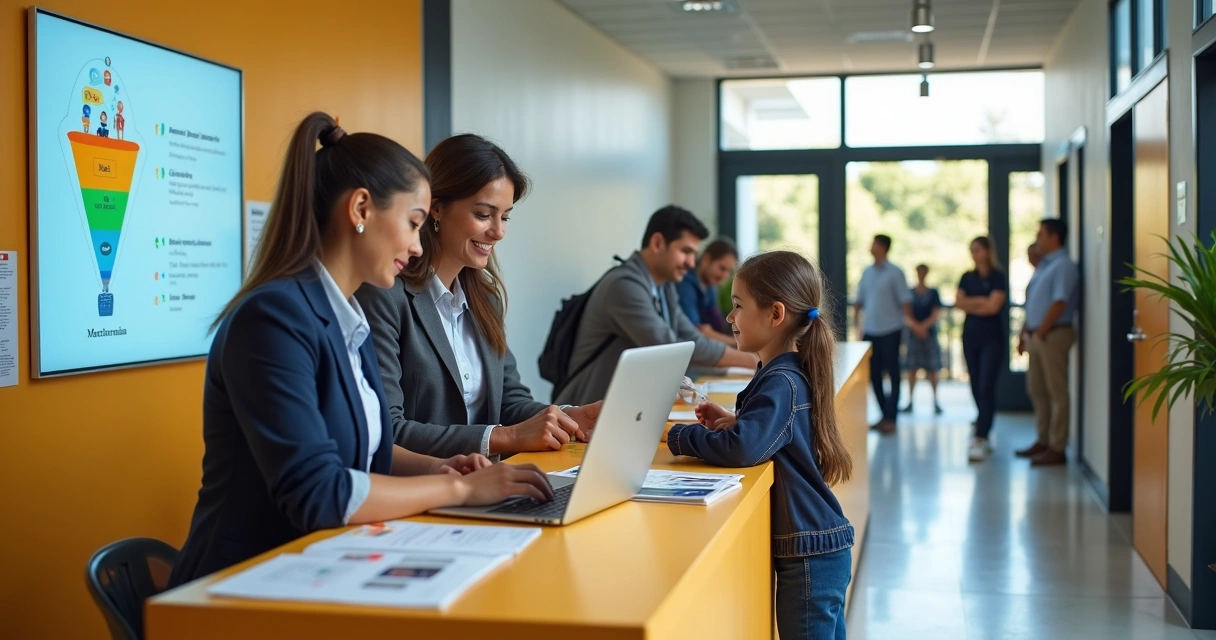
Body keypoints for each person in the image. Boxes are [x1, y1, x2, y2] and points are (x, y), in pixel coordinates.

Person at [169, 113, 553, 587]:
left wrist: (440, 465)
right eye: (413, 224)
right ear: (361, 209)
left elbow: (368, 453)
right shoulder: (272, 319)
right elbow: (320, 492)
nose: (417, 248)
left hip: (328, 562)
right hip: (247, 580)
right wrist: (457, 487)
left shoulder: (344, 318)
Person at [356, 134, 601, 459]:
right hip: (427, 488)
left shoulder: (486, 299)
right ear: (436, 208)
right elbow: (389, 429)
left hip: (487, 484)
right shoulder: (386, 295)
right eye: (484, 215)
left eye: (505, 216)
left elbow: (509, 400)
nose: (499, 231)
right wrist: (503, 437)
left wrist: (569, 418)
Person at [669, 251, 853, 640]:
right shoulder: (786, 374)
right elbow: (774, 433)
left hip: (809, 557)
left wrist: (679, 436)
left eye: (737, 307)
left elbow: (743, 449)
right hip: (820, 549)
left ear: (775, 314)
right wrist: (740, 422)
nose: (730, 318)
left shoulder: (780, 381)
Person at [555, 206, 759, 406]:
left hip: (624, 409)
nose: (691, 263)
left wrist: (749, 357)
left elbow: (691, 337)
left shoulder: (665, 287)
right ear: (657, 243)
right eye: (686, 251)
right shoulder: (623, 286)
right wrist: (751, 361)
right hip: (583, 414)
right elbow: (670, 347)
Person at [1015, 219, 1079, 466]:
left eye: (1040, 233)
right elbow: (1034, 304)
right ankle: (1042, 440)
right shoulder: (1044, 266)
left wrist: (1041, 332)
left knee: (1056, 391)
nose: (1037, 237)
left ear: (1055, 237)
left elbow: (1060, 302)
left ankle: (1057, 446)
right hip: (1038, 335)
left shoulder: (1063, 266)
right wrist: (1025, 334)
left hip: (1052, 335)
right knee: (1037, 389)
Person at [853, 234, 914, 434]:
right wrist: (857, 327)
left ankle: (891, 418)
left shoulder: (895, 273)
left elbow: (905, 302)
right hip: (870, 330)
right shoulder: (867, 272)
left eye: (874, 244)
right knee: (874, 375)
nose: (871, 247)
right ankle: (884, 415)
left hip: (891, 330)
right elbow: (859, 302)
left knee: (894, 374)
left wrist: (911, 326)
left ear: (883, 247)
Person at [955, 237, 1009, 463]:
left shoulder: (998, 277)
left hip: (992, 339)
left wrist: (973, 303)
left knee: (986, 384)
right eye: (971, 249)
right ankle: (982, 420)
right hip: (971, 337)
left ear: (987, 251)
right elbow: (959, 303)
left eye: (977, 249)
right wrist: (982, 302)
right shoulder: (967, 277)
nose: (973, 253)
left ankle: (981, 436)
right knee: (976, 384)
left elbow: (994, 306)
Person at [676, 237, 738, 346]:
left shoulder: (709, 286)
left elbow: (717, 324)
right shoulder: (685, 284)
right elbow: (696, 331)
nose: (724, 276)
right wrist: (738, 343)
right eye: (722, 268)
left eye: (729, 271)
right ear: (706, 260)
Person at [900, 264, 943, 415]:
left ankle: (936, 401)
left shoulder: (933, 293)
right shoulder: (909, 293)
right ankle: (910, 400)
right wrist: (916, 327)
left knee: (932, 369)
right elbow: (906, 313)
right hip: (913, 335)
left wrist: (923, 327)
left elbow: (935, 314)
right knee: (912, 368)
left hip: (929, 335)